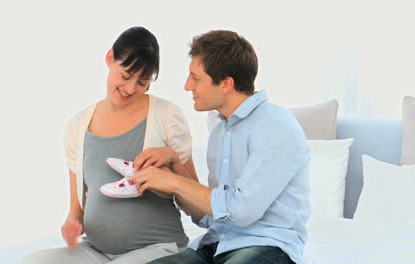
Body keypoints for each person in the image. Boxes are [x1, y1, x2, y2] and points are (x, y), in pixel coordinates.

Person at [16, 26, 198, 264]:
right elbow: (76, 211)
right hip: (96, 252)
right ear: (109, 58)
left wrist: (172, 160)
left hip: (158, 248)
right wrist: (72, 224)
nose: (131, 88)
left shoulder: (167, 117)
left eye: (143, 82)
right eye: (125, 76)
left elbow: (197, 206)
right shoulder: (77, 126)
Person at [133, 30, 311, 264]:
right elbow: (209, 213)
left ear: (226, 84)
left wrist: (174, 182)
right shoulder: (219, 129)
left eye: (195, 78)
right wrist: (174, 163)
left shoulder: (276, 127)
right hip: (215, 245)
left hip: (266, 244)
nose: (187, 86)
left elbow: (240, 210)